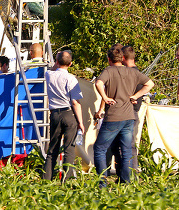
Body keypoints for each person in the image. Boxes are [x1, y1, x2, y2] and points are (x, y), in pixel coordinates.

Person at [93, 45, 153, 184]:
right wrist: (136, 96)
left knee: (99, 148)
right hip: (129, 117)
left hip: (114, 116)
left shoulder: (109, 71)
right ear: (122, 58)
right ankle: (127, 182)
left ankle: (102, 183)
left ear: (109, 59)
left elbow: (98, 83)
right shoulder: (132, 72)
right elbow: (150, 83)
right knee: (126, 150)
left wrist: (105, 97)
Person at [43, 50, 84, 181]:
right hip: (68, 113)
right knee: (69, 149)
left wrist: (58, 60)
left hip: (54, 114)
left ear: (56, 61)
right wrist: (81, 122)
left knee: (52, 148)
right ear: (71, 64)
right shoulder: (71, 78)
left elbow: (53, 68)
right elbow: (75, 102)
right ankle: (66, 179)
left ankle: (46, 178)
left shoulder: (49, 74)